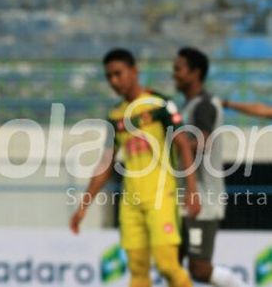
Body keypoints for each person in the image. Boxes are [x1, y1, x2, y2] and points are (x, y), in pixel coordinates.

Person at [70, 48, 200, 287]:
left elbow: (183, 146)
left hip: (161, 197)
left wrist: (191, 189)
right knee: (137, 273)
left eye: (118, 73)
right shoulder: (115, 116)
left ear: (134, 71)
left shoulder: (160, 105)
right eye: (109, 76)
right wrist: (83, 205)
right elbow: (106, 162)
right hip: (130, 202)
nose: (114, 81)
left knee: (168, 265)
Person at [173, 47, 244, 287]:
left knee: (200, 269)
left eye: (179, 69)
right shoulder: (188, 106)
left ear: (196, 72)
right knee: (172, 264)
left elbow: (202, 142)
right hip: (185, 199)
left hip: (202, 201)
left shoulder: (204, 105)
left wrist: (172, 146)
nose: (174, 74)